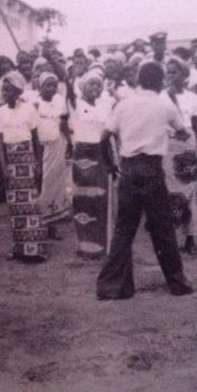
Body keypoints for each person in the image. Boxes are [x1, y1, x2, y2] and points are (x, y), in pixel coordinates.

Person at [96, 61, 194, 300]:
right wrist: (176, 133)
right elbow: (183, 131)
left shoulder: (124, 104)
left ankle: (112, 286)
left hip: (129, 171)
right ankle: (178, 284)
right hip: (151, 172)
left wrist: (110, 165)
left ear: (139, 79)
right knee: (163, 230)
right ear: (160, 81)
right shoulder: (165, 104)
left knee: (124, 230)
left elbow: (104, 137)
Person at [0, 71, 47, 262]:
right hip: (11, 159)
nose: (7, 93)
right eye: (4, 90)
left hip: (27, 158)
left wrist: (38, 163)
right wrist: (4, 167)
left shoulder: (29, 109)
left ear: (18, 91)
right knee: (15, 206)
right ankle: (18, 249)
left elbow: (36, 139)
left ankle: (35, 249)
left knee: (30, 204)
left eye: (10, 90)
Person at [162, 57, 197, 254]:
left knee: (191, 193)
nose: (171, 76)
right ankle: (171, 239)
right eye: (169, 72)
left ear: (184, 75)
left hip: (189, 148)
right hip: (169, 147)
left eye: (175, 72)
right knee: (171, 195)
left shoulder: (193, 98)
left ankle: (190, 239)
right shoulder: (161, 96)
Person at [69, 70, 115, 259]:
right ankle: (85, 245)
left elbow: (108, 135)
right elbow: (67, 87)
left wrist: (111, 160)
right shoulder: (75, 105)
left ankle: (100, 245)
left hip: (101, 154)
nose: (95, 88)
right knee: (82, 201)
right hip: (82, 157)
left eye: (98, 84)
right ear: (82, 88)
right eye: (91, 84)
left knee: (101, 201)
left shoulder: (105, 107)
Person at [34, 71, 72, 239]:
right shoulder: (35, 104)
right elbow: (33, 130)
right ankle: (42, 221)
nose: (52, 89)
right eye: (48, 85)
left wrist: (69, 142)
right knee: (44, 183)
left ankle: (52, 222)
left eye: (54, 86)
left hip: (58, 145)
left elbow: (63, 124)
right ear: (40, 87)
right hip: (43, 147)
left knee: (57, 182)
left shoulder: (59, 101)